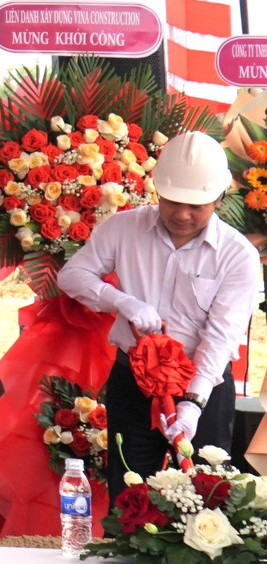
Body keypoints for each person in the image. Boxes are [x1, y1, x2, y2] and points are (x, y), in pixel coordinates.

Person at [61, 130, 260, 495]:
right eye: (171, 202)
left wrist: (194, 405)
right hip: (133, 380)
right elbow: (72, 276)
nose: (181, 215)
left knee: (206, 497)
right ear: (157, 190)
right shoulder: (123, 228)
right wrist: (122, 301)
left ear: (219, 198)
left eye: (195, 206)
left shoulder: (237, 255)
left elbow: (220, 338)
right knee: (130, 491)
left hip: (203, 383)